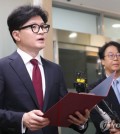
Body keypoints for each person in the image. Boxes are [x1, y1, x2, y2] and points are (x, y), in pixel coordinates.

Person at [0, 5, 90, 134]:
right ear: (16, 35)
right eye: (34, 27)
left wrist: (80, 121)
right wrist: (22, 119)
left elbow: (63, 111)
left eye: (43, 27)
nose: (42, 31)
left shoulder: (55, 70)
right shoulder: (3, 67)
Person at [88, 41, 120, 134]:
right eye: (111, 55)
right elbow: (98, 121)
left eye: (118, 55)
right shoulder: (94, 89)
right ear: (102, 61)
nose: (115, 58)